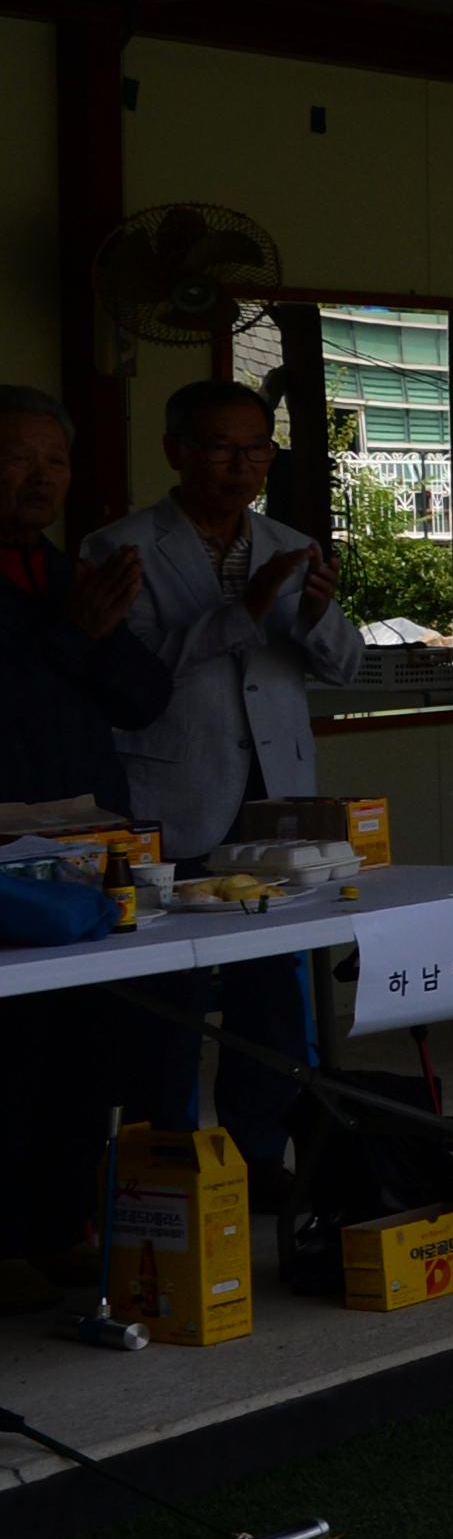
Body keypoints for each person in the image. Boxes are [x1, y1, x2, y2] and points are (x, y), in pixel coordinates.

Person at [85, 377, 364, 1141]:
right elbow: (133, 675)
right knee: (166, 994)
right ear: (176, 451)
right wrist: (243, 612)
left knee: (272, 990)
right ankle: (165, 1159)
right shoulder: (120, 547)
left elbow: (348, 667)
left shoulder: (286, 543)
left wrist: (313, 614)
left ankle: (263, 1147)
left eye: (256, 448)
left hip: (277, 802)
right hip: (174, 797)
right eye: (221, 447)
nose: (241, 465)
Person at [0, 385, 167, 1295]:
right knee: (11, 1054)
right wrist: (70, 639)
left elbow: (145, 699)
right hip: (8, 872)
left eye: (54, 461)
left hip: (88, 856)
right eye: (18, 458)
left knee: (86, 1045)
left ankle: (59, 1227)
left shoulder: (68, 574)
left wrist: (93, 634)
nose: (40, 478)